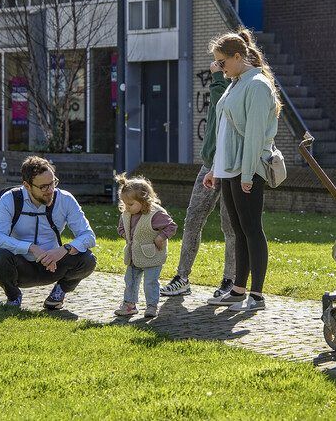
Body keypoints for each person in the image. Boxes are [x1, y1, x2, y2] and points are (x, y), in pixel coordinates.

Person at [204, 27, 282, 311]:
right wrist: (215, 168)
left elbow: (254, 136)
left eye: (222, 62)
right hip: (228, 168)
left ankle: (257, 295)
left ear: (238, 57)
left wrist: (248, 175)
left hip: (246, 169)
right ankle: (238, 289)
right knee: (238, 230)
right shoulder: (236, 82)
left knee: (251, 229)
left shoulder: (258, 85)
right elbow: (225, 130)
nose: (219, 67)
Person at [160, 60, 237, 298]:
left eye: (220, 60)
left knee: (230, 226)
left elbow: (219, 104)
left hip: (231, 166)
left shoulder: (236, 83)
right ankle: (182, 277)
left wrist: (216, 78)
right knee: (193, 218)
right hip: (209, 164)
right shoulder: (224, 82)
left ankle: (229, 280)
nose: (215, 64)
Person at [0, 156, 97, 309]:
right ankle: (13, 296)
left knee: (88, 259)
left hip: (54, 266)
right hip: (21, 266)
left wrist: (63, 250)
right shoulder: (10, 199)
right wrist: (31, 248)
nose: (50, 190)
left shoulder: (65, 199)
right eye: (43, 187)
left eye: (53, 183)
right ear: (27, 185)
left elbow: (88, 236)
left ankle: (59, 292)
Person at [114, 174, 177, 318]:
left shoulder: (156, 214)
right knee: (130, 280)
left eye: (130, 204)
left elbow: (171, 226)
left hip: (152, 254)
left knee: (150, 282)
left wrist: (161, 237)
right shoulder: (126, 214)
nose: (127, 208)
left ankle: (151, 306)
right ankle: (129, 305)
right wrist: (126, 235)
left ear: (144, 200)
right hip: (133, 255)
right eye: (124, 203)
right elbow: (121, 228)